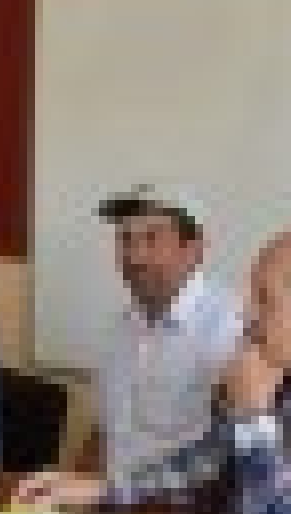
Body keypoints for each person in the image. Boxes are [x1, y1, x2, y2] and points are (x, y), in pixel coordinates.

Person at [17, 226, 291, 514]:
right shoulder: (281, 363)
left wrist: (254, 416)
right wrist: (109, 489)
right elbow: (211, 462)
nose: (246, 313)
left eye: (265, 300)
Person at [86, 182, 243, 477]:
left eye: (152, 239)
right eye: (125, 240)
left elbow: (233, 457)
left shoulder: (230, 327)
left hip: (180, 502)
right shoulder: (119, 328)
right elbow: (105, 432)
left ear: (194, 250)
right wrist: (69, 489)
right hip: (111, 496)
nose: (134, 256)